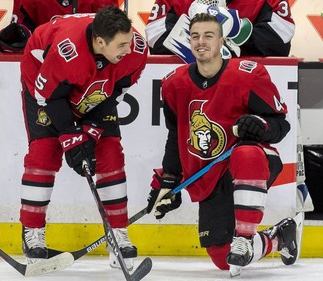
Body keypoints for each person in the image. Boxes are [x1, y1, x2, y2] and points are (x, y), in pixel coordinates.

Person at [146, 13, 297, 277]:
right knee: (223, 257)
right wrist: (169, 180)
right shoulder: (174, 84)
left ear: (221, 41)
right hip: (209, 176)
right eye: (195, 36)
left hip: (252, 163)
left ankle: (244, 237)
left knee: (246, 153)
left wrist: (259, 125)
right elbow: (176, 133)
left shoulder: (247, 74)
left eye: (208, 36)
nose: (201, 42)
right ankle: (280, 237)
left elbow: (280, 125)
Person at [19, 6, 148, 271]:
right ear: (100, 41)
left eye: (128, 40)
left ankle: (117, 232)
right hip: (47, 83)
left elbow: (115, 93)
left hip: (97, 85)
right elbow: (50, 97)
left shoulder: (135, 48)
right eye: (121, 44)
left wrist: (91, 129)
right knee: (44, 152)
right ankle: (32, 232)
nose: (129, 48)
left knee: (109, 151)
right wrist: (70, 137)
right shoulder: (66, 51)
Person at [145, 0, 294, 57]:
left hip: (248, 81)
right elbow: (156, 39)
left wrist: (233, 31)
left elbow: (280, 42)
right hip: (189, 83)